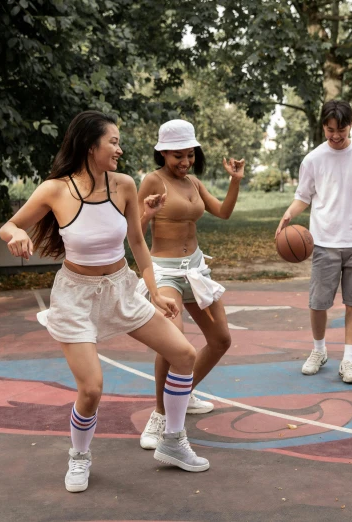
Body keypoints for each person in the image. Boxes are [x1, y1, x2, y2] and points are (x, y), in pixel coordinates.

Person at [0, 111, 210, 493]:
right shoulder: (55, 190)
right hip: (76, 296)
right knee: (92, 389)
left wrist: (157, 290)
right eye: (113, 141)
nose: (120, 148)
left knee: (184, 354)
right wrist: (15, 234)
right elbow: (9, 225)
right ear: (90, 145)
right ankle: (79, 457)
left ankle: (173, 441)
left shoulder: (125, 185)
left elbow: (137, 243)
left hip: (120, 288)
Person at [135, 119, 245, 449]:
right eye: (177, 156)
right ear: (163, 153)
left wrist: (235, 181)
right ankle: (159, 415)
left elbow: (223, 212)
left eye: (190, 155)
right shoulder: (151, 181)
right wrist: (148, 213)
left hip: (195, 270)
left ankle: (181, 394)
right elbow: (134, 234)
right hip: (164, 271)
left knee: (221, 340)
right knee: (174, 343)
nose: (184, 162)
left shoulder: (194, 183)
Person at [276, 100, 352, 384]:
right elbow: (303, 196)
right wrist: (288, 215)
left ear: (351, 125)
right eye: (330, 130)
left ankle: (349, 360)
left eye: (341, 129)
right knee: (318, 303)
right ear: (323, 127)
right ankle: (319, 351)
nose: (336, 136)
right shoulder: (313, 159)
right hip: (324, 242)